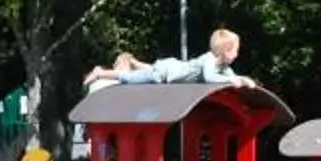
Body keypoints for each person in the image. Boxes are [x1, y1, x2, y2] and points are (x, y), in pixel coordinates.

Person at [83, 28, 244, 93]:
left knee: (150, 71)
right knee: (130, 78)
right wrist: (232, 80)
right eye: (235, 50)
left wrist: (242, 80)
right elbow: (210, 78)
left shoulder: (223, 67)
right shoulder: (209, 61)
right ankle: (100, 73)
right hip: (165, 72)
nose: (237, 54)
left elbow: (233, 77)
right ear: (224, 52)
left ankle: (135, 63)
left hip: (170, 69)